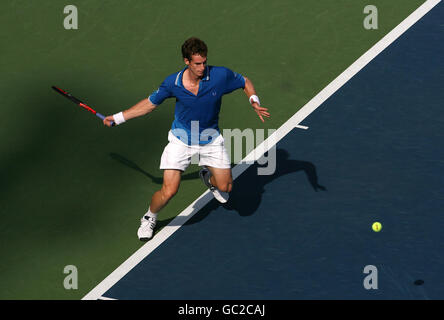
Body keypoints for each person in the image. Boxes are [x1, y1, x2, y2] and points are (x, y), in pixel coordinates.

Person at [103, 37, 270, 241]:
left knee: (225, 187)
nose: (202, 67)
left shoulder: (219, 75)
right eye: (197, 63)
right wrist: (119, 118)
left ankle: (207, 176)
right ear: (186, 61)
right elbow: (149, 104)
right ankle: (149, 217)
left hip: (210, 140)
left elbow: (245, 82)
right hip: (181, 141)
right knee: (169, 191)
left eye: (204, 62)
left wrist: (254, 100)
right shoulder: (172, 83)